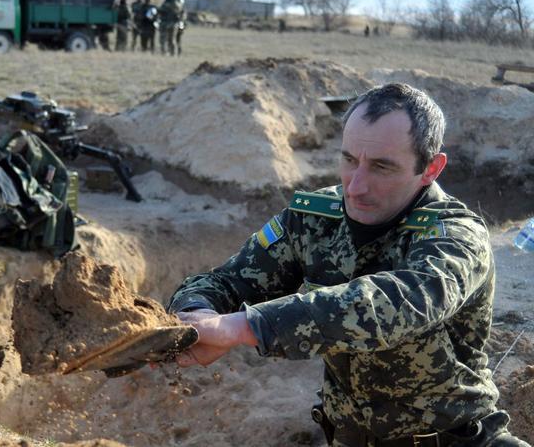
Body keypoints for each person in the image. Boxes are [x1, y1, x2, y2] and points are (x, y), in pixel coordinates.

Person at [168, 83, 530, 447]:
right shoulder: (314, 217)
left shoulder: (456, 235)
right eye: (349, 160)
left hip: (454, 440)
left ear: (431, 168)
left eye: (381, 167)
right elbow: (227, 282)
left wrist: (247, 326)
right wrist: (193, 319)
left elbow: (398, 303)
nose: (355, 187)